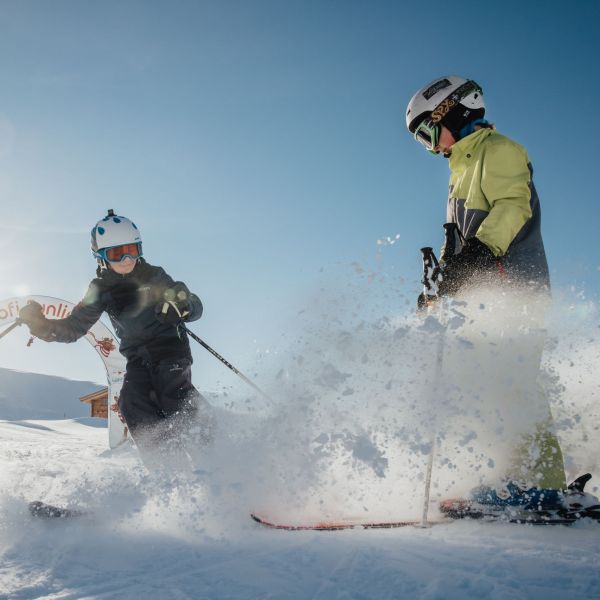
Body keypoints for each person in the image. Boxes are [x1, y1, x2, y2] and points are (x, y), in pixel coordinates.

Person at [405, 76, 570, 512]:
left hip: (517, 285)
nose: (429, 146)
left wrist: (481, 252)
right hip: (487, 290)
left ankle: (543, 487)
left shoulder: (499, 151)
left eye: (426, 133)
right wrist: (439, 289)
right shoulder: (459, 172)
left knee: (518, 383)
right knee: (492, 387)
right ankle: (512, 477)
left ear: (451, 112)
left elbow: (514, 205)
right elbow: (456, 242)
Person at [18, 210, 211, 467]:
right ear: (101, 257)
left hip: (169, 349)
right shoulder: (100, 289)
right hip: (138, 358)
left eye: (133, 249)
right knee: (132, 403)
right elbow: (75, 326)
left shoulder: (154, 275)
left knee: (172, 393)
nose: (127, 258)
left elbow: (192, 305)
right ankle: (169, 471)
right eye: (117, 254)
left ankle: (218, 453)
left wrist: (183, 304)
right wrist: (40, 326)